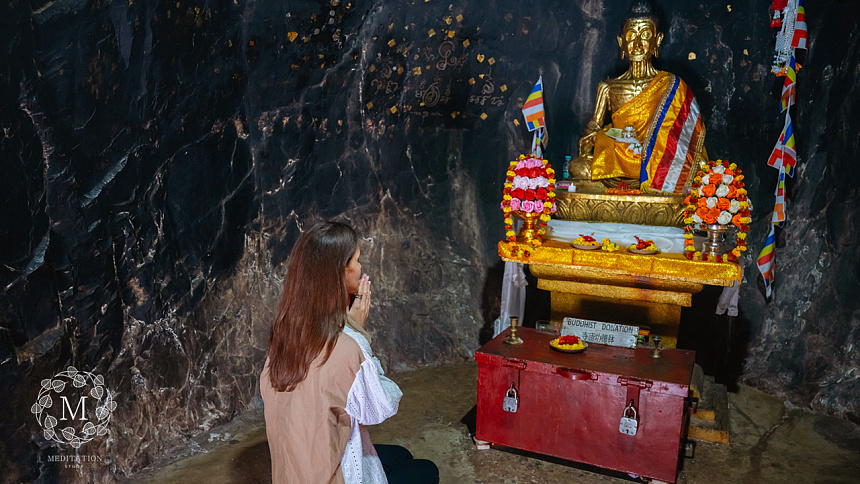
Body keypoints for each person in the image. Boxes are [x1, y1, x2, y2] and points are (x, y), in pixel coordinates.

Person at [260, 221, 439, 484]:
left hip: (295, 470)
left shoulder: (284, 333)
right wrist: (357, 333)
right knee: (426, 470)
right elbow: (381, 406)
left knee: (399, 455)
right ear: (340, 274)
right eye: (356, 260)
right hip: (333, 476)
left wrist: (347, 327)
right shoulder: (345, 346)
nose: (361, 267)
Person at [568, 0, 708, 195]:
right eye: (631, 36)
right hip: (616, 161)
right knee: (578, 168)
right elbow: (594, 128)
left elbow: (681, 136)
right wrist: (590, 141)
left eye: (645, 35)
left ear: (657, 41)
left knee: (699, 168)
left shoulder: (670, 85)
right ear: (621, 42)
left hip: (655, 162)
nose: (637, 44)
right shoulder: (608, 87)